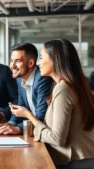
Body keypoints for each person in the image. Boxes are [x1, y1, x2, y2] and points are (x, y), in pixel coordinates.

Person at [11, 39, 94, 168]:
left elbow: (57, 139)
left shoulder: (63, 88)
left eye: (42, 58)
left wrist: (28, 115)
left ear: (55, 60)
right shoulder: (68, 85)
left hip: (75, 162)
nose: (38, 63)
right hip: (80, 158)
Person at [0, 43, 52, 135]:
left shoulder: (42, 79)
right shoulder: (19, 79)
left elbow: (41, 117)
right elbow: (20, 109)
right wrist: (8, 124)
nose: (12, 65)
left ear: (30, 63)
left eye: (18, 61)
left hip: (47, 133)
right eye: (12, 60)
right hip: (36, 131)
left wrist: (17, 129)